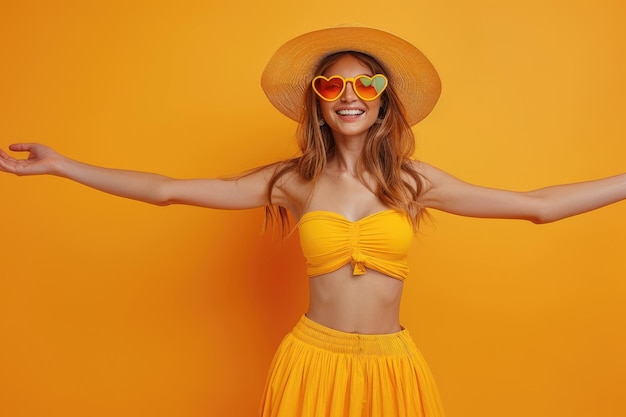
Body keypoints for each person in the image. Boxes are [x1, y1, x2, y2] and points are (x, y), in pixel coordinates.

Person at [1, 24, 625, 417]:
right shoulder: (293, 182)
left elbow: (539, 206)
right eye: (332, 87)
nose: (349, 95)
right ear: (318, 104)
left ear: (383, 99)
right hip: (311, 364)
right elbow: (167, 191)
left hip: (392, 367)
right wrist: (63, 167)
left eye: (365, 83)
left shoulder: (413, 182)